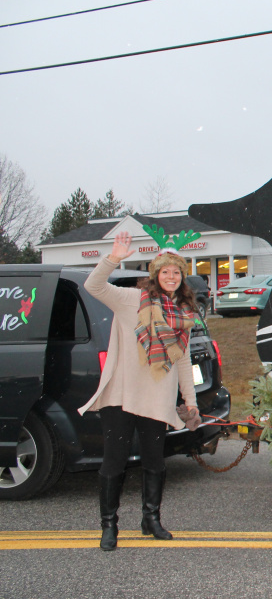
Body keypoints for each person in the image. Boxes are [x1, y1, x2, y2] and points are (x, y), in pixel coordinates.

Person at [78, 231, 202, 551]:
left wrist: (190, 402)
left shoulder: (182, 314)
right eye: (165, 271)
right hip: (121, 394)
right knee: (114, 462)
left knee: (154, 462)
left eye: (176, 272)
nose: (171, 277)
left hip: (157, 396)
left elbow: (183, 362)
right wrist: (114, 256)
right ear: (155, 274)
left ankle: (151, 518)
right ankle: (109, 526)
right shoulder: (130, 299)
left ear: (182, 277)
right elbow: (93, 286)